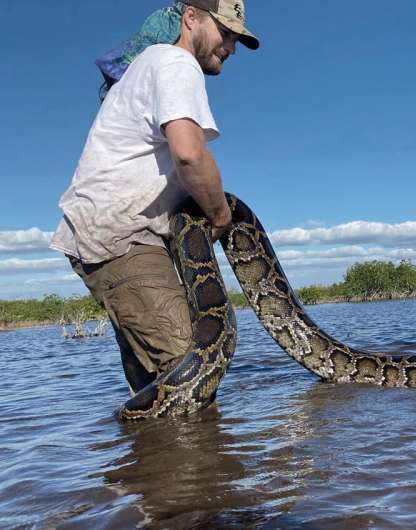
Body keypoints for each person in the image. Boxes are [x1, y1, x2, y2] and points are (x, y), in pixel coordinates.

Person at [50, 1, 260, 394]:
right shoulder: (176, 63)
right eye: (225, 32)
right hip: (124, 237)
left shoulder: (150, 66)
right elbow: (189, 154)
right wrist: (218, 217)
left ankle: (146, 455)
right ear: (191, 18)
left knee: (153, 385)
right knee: (191, 367)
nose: (230, 46)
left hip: (111, 232)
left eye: (236, 38)